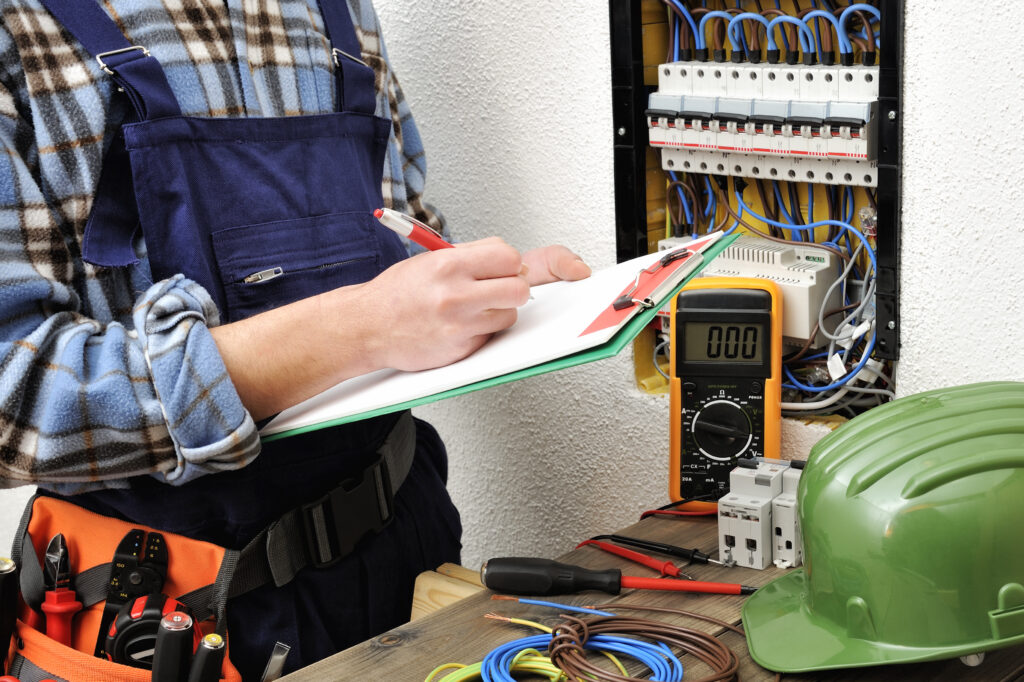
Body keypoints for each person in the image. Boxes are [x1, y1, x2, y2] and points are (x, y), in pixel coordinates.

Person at [0, 0, 590, 678]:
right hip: (172, 607)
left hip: (407, 542)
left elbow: (397, 231)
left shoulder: (337, 9)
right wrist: (361, 329)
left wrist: (492, 293)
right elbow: (10, 402)